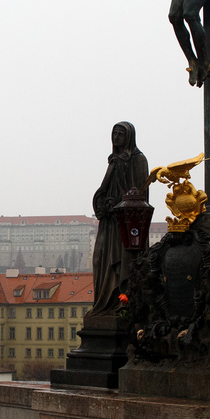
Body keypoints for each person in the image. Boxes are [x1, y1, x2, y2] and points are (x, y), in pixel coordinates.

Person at [89, 121, 149, 315]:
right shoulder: (114, 160)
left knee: (123, 263)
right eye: (114, 134)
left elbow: (140, 196)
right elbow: (104, 190)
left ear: (129, 137)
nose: (116, 138)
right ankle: (103, 304)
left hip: (127, 225)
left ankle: (122, 303)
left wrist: (119, 205)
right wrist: (103, 204)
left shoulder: (138, 160)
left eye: (120, 134)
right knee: (99, 259)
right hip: (109, 221)